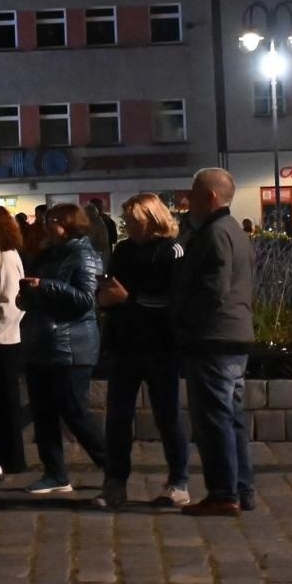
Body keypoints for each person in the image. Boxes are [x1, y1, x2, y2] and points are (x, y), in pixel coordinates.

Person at [170, 168, 256, 516]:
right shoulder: (234, 231)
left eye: (193, 193)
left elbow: (214, 289)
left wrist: (185, 322)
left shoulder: (215, 234)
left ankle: (223, 493)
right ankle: (241, 489)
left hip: (213, 337)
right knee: (231, 417)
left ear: (211, 197)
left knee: (214, 420)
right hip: (232, 334)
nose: (187, 200)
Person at [96, 193, 190, 509]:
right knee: (118, 417)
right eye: (127, 221)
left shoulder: (172, 250)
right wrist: (105, 298)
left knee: (167, 415)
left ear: (152, 219)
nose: (129, 226)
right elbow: (112, 289)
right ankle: (115, 482)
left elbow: (173, 300)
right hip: (124, 342)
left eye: (134, 220)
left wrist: (129, 299)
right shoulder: (123, 250)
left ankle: (178, 481)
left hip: (160, 344)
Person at [16, 203, 107, 494]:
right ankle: (55, 473)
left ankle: (113, 467)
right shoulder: (48, 254)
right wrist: (27, 296)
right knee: (43, 411)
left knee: (74, 410)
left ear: (69, 225)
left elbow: (85, 300)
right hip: (42, 341)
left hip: (71, 345)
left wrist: (45, 286)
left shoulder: (83, 255)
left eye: (52, 220)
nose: (46, 225)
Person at [0, 207, 28, 476]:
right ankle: (5, 455)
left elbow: (11, 303)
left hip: (4, 339)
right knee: (1, 402)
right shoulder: (2, 255)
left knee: (7, 403)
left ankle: (12, 458)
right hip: (1, 337)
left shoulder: (7, 258)